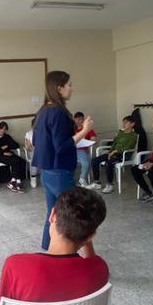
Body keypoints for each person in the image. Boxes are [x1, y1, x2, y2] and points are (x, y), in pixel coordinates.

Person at [0, 188, 109, 305]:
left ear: (52, 215)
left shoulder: (16, 265)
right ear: (91, 236)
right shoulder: (100, 269)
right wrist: (85, 237)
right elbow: (92, 262)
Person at [32, 71, 93, 251]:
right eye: (69, 85)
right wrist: (84, 131)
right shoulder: (58, 112)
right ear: (59, 88)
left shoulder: (43, 110)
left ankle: (47, 253)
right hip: (60, 173)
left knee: (53, 215)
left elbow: (38, 141)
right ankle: (78, 257)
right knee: (74, 217)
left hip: (47, 172)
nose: (71, 88)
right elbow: (62, 146)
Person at [88, 115, 138, 194]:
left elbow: (129, 147)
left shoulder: (133, 135)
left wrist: (114, 151)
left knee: (109, 163)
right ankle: (97, 183)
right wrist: (110, 152)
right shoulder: (120, 133)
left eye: (126, 123)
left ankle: (110, 185)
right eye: (123, 122)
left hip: (123, 155)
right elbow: (114, 143)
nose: (124, 124)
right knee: (94, 161)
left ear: (132, 124)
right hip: (113, 153)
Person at [0, 121, 27, 193]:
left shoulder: (7, 136)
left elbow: (16, 145)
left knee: (22, 161)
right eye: (2, 129)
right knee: (15, 161)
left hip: (8, 154)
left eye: (5, 129)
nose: (3, 130)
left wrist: (7, 145)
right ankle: (17, 182)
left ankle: (14, 181)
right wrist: (3, 152)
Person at [73, 111, 97, 187]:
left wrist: (87, 142)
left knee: (86, 163)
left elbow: (94, 140)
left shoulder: (88, 130)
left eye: (81, 119)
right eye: (77, 119)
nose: (79, 121)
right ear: (74, 120)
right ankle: (71, 180)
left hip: (82, 150)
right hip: (71, 150)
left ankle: (82, 179)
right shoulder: (71, 130)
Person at [24, 117, 38, 189]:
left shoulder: (42, 133)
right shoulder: (28, 133)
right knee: (34, 155)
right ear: (32, 126)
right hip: (32, 151)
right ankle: (33, 177)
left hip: (41, 151)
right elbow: (28, 146)